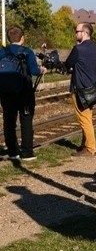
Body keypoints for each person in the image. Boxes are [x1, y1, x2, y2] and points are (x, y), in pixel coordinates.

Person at [0, 26, 47, 161]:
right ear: (22, 38)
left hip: (6, 92)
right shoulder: (27, 52)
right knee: (26, 120)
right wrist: (42, 70)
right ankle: (26, 152)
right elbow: (34, 70)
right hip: (24, 93)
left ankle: (12, 151)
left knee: (9, 121)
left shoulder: (2, 52)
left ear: (9, 39)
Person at [64, 22, 96, 157]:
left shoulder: (78, 49)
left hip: (80, 89)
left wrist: (72, 68)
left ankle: (90, 148)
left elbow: (68, 64)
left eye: (77, 31)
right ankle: (85, 144)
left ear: (84, 33)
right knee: (87, 117)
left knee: (84, 119)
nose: (75, 34)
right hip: (92, 89)